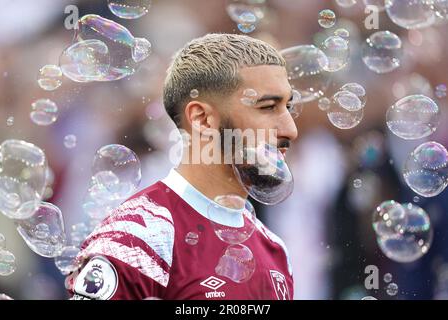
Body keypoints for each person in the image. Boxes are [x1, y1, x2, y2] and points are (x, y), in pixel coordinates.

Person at [69, 33, 298, 300]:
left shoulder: (275, 250)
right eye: (268, 107)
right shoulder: (134, 240)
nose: (290, 130)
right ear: (201, 119)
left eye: (288, 107)